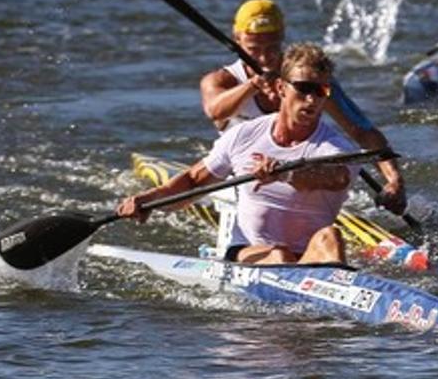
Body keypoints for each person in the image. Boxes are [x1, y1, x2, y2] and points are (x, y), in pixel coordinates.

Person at [118, 44, 363, 264]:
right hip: (249, 252)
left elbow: (335, 177)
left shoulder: (337, 148)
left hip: (309, 257)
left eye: (321, 91)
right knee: (279, 255)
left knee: (331, 237)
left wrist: (285, 174)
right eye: (303, 88)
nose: (311, 99)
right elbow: (193, 182)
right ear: (281, 88)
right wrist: (147, 201)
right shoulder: (244, 135)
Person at [198, 0, 405, 214]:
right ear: (237, 39)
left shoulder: (311, 83)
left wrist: (394, 179)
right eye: (254, 49)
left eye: (272, 48)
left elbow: (362, 131)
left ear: (282, 39)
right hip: (243, 176)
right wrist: (253, 85)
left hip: (299, 177)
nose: (264, 58)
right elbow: (215, 111)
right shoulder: (221, 81)